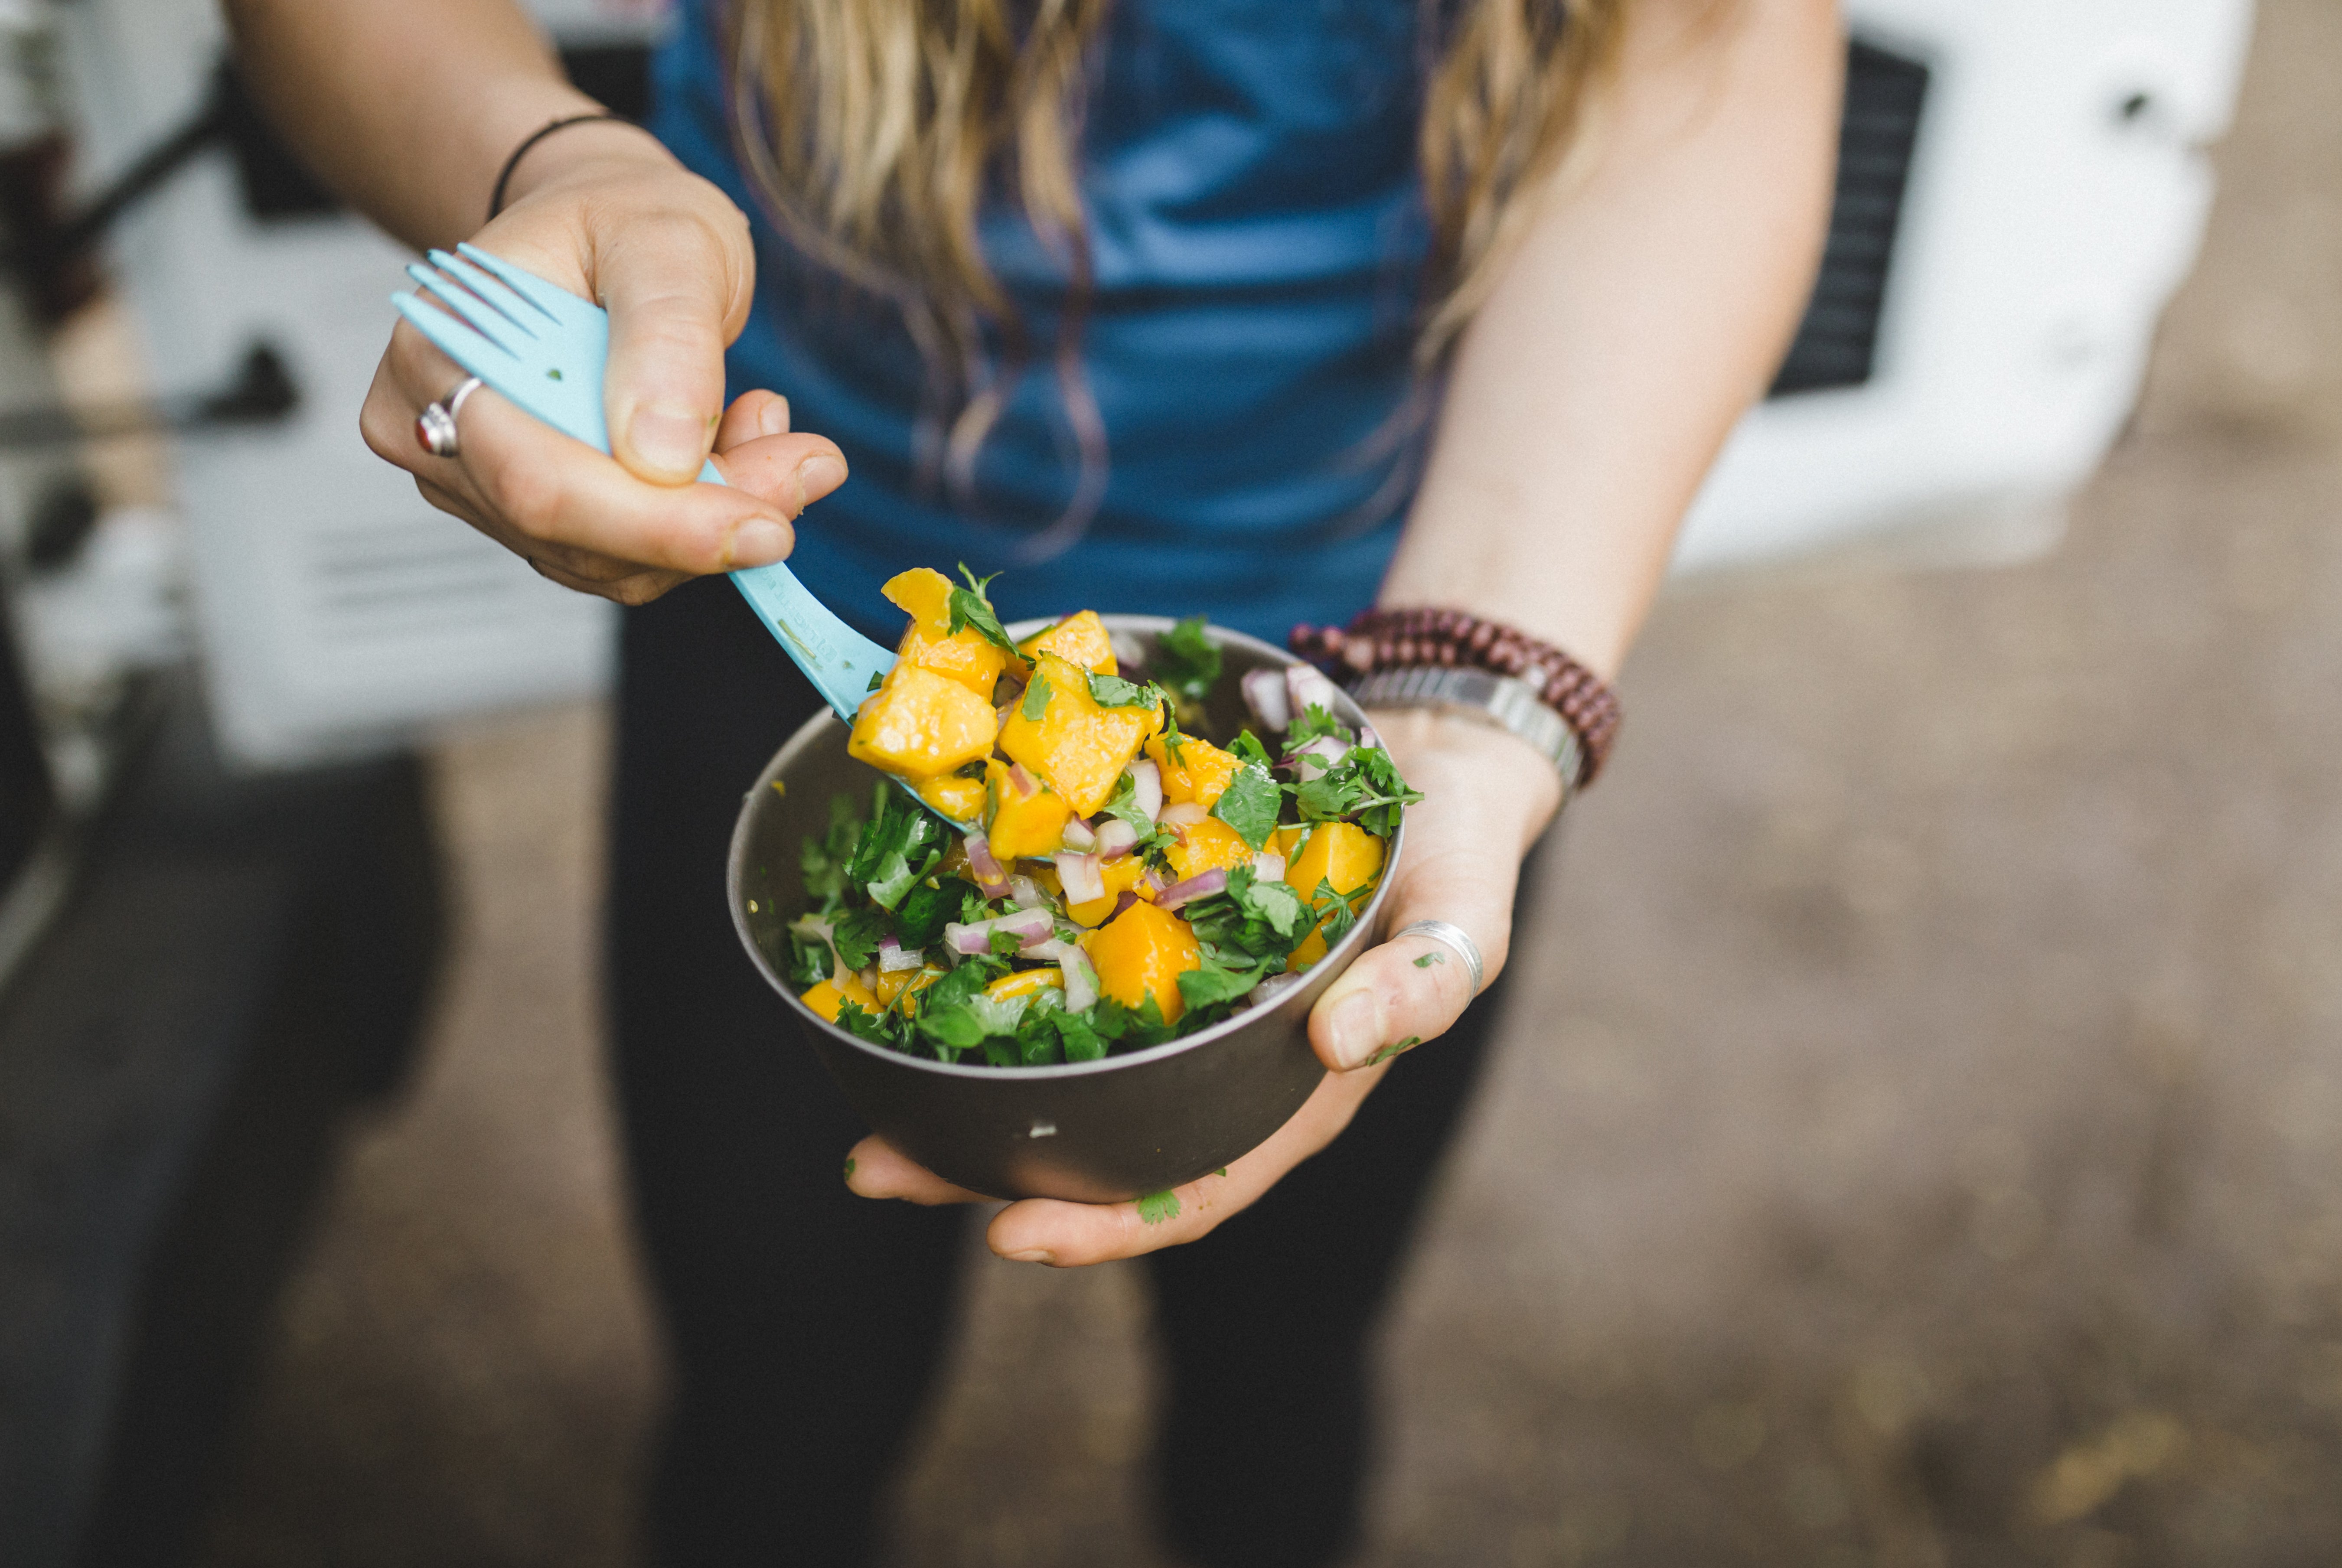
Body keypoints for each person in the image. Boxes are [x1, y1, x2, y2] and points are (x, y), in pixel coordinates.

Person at [225, 0, 1841, 1561]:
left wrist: (1482, 689)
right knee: (768, 1395)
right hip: (779, 587)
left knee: (1282, 1377)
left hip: (1389, 673)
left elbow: (1715, 43)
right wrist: (545, 163)